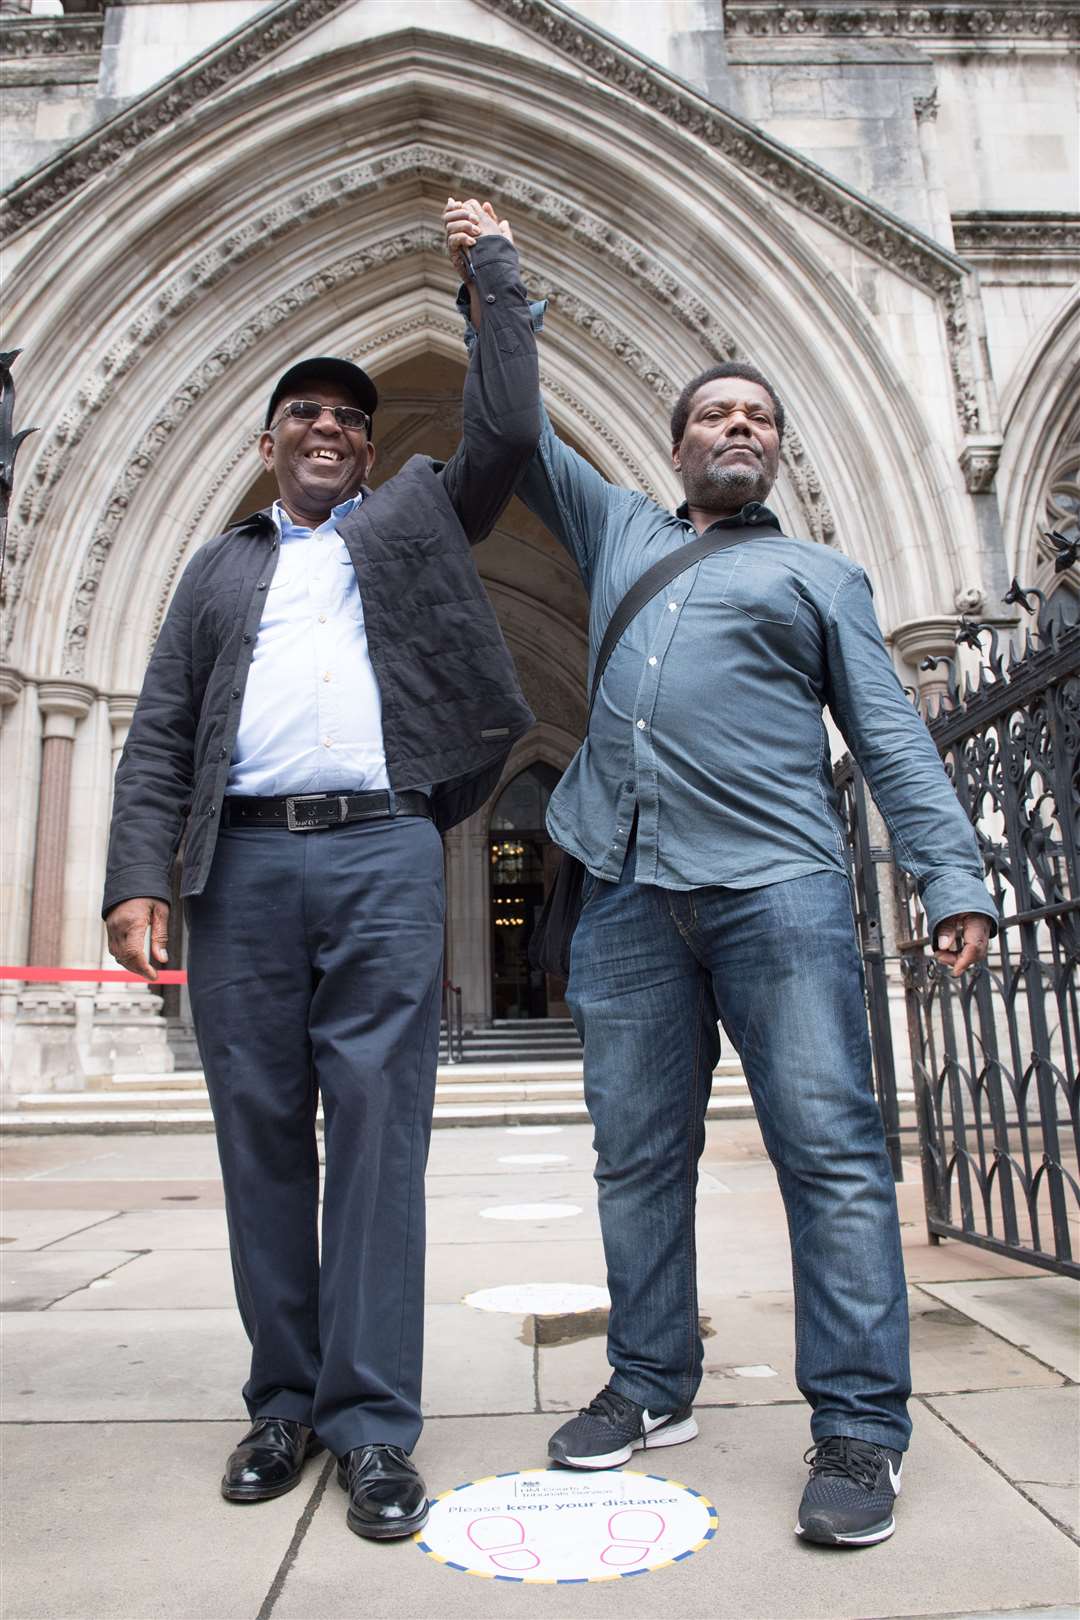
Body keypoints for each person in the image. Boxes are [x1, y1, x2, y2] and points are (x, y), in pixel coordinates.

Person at [445, 200, 995, 1548]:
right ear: (678, 445)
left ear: (779, 454)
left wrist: (952, 874)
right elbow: (515, 432)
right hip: (626, 897)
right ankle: (648, 1383)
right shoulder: (622, 531)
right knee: (636, 1160)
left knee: (836, 1158)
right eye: (715, 416)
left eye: (758, 418)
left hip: (779, 891)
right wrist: (494, 279)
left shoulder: (822, 576)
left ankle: (861, 1431)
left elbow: (888, 737)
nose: (737, 428)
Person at [103, 205, 539, 1541]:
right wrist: (139, 876)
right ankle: (283, 1403)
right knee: (259, 1140)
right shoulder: (213, 570)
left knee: (379, 1141)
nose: (328, 429)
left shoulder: (410, 519)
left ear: (367, 446)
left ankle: (370, 1424)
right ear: (269, 440)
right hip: (240, 869)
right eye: (304, 413)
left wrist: (494, 279)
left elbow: (509, 435)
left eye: (348, 417)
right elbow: (164, 724)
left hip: (382, 849)